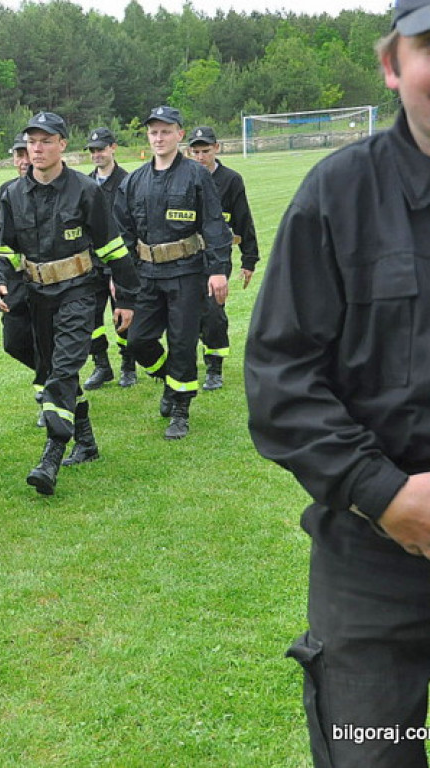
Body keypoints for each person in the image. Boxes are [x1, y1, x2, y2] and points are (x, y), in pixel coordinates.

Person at [246, 4, 430, 764]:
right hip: (373, 556)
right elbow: (280, 374)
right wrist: (381, 490)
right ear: (392, 67)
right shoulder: (337, 196)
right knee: (371, 752)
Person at [0, 112, 138, 495]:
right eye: (31, 141)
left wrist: (127, 296)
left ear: (62, 145)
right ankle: (86, 440)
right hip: (34, 296)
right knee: (26, 352)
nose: (36, 148)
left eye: (45, 141)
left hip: (78, 293)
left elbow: (112, 247)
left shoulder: (86, 191)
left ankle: (52, 456)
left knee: (60, 371)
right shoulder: (11, 194)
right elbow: (0, 249)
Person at [113, 106, 230, 440]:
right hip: (147, 274)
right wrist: (122, 283)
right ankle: (169, 381)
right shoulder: (133, 181)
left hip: (186, 273)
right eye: (154, 132)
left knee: (181, 343)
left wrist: (218, 270)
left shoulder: (196, 175)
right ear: (147, 136)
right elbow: (122, 235)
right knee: (138, 341)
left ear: (180, 134)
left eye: (166, 131)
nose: (159, 138)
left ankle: (180, 409)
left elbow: (213, 223)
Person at [187, 126, 259, 391]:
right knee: (187, 312)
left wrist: (248, 260)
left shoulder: (231, 180)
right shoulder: (183, 177)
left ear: (216, 149)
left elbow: (244, 219)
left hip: (217, 256)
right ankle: (186, 364)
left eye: (205, 151)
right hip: (186, 258)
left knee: (213, 310)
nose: (200, 157)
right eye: (195, 152)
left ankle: (214, 367)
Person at [0, 132, 41, 423]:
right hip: (17, 286)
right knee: (14, 343)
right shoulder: (5, 193)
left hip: (51, 285)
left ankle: (49, 393)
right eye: (18, 155)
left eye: (27, 153)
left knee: (48, 343)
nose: (23, 160)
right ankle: (53, 377)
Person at [82, 127, 138, 391]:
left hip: (118, 262)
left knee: (122, 315)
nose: (97, 155)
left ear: (113, 148)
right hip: (91, 264)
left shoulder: (128, 182)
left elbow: (132, 226)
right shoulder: (83, 184)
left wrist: (120, 272)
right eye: (92, 151)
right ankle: (101, 365)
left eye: (101, 149)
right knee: (90, 318)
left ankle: (128, 365)